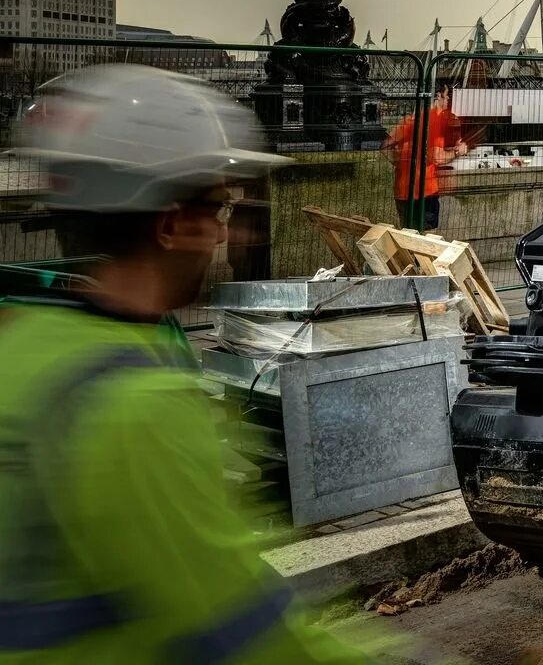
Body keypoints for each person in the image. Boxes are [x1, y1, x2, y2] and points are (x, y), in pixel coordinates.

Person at [0, 64, 368, 663]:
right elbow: (245, 635)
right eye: (218, 210)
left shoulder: (21, 344)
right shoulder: (135, 405)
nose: (222, 235)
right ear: (173, 223)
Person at [383, 82, 466, 230]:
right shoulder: (433, 122)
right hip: (424, 191)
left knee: (407, 236)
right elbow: (437, 157)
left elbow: (385, 146)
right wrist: (457, 151)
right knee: (426, 240)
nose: (448, 102)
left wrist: (401, 163)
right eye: (447, 97)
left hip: (402, 192)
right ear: (438, 97)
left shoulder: (410, 121)